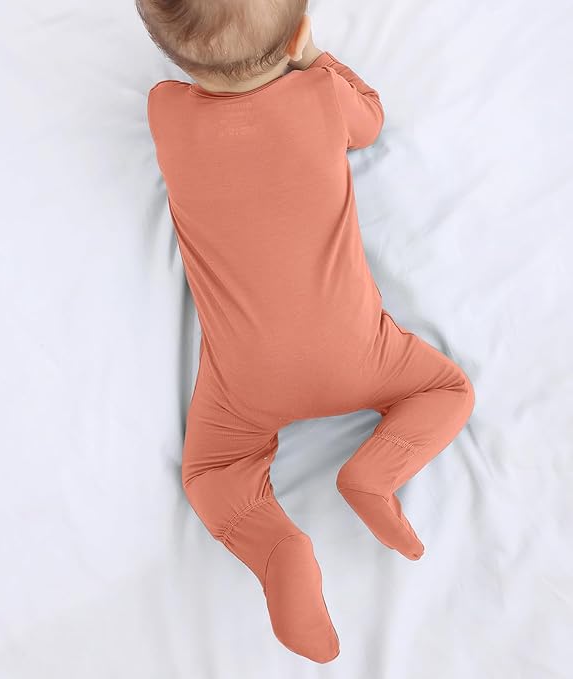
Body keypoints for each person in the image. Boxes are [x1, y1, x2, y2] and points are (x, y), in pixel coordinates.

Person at [137, 1, 475, 663]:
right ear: (297, 31)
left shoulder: (165, 112)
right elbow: (370, 120)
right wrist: (315, 58)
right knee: (447, 390)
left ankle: (277, 548)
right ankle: (373, 474)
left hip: (248, 384)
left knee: (212, 473)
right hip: (358, 354)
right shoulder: (320, 94)